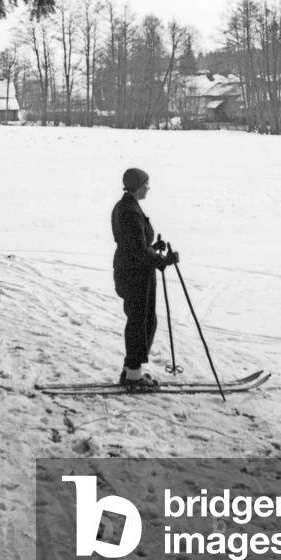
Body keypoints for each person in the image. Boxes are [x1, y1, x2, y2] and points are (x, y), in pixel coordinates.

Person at [111, 167, 178, 393]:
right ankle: (133, 375)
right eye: (146, 184)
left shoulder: (126, 206)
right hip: (135, 275)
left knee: (143, 321)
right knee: (141, 323)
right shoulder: (130, 210)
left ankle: (132, 369)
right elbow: (137, 250)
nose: (148, 188)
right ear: (138, 186)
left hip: (133, 271)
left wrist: (154, 248)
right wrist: (164, 260)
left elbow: (136, 245)